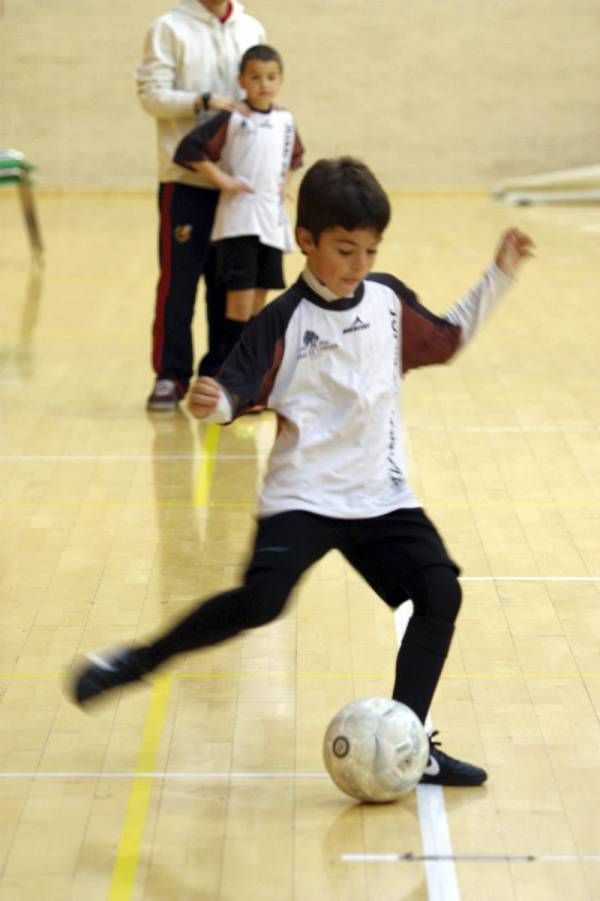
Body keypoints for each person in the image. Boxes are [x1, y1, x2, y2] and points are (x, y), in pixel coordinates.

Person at [70, 157, 534, 785]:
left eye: (370, 250)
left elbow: (446, 340)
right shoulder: (282, 321)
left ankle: (407, 742)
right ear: (306, 241)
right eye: (345, 250)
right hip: (304, 496)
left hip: (380, 495)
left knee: (439, 591)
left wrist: (500, 273)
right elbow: (237, 388)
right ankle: (140, 659)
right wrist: (217, 403)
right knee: (262, 601)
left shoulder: (389, 303)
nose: (360, 265)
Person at [136, 0, 266, 412]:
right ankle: (170, 376)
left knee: (228, 282)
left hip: (236, 184)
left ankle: (219, 371)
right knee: (179, 282)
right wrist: (204, 100)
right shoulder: (168, 28)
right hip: (186, 180)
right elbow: (151, 97)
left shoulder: (251, 28)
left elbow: (262, 95)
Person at [173, 44, 304, 359]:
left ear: (280, 80)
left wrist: (283, 185)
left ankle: (251, 376)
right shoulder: (233, 118)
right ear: (242, 81)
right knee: (239, 305)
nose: (264, 84)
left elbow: (295, 156)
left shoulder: (286, 118)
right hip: (239, 221)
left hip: (271, 221)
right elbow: (189, 150)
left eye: (271, 77)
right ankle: (227, 374)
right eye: (255, 77)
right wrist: (224, 181)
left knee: (259, 304)